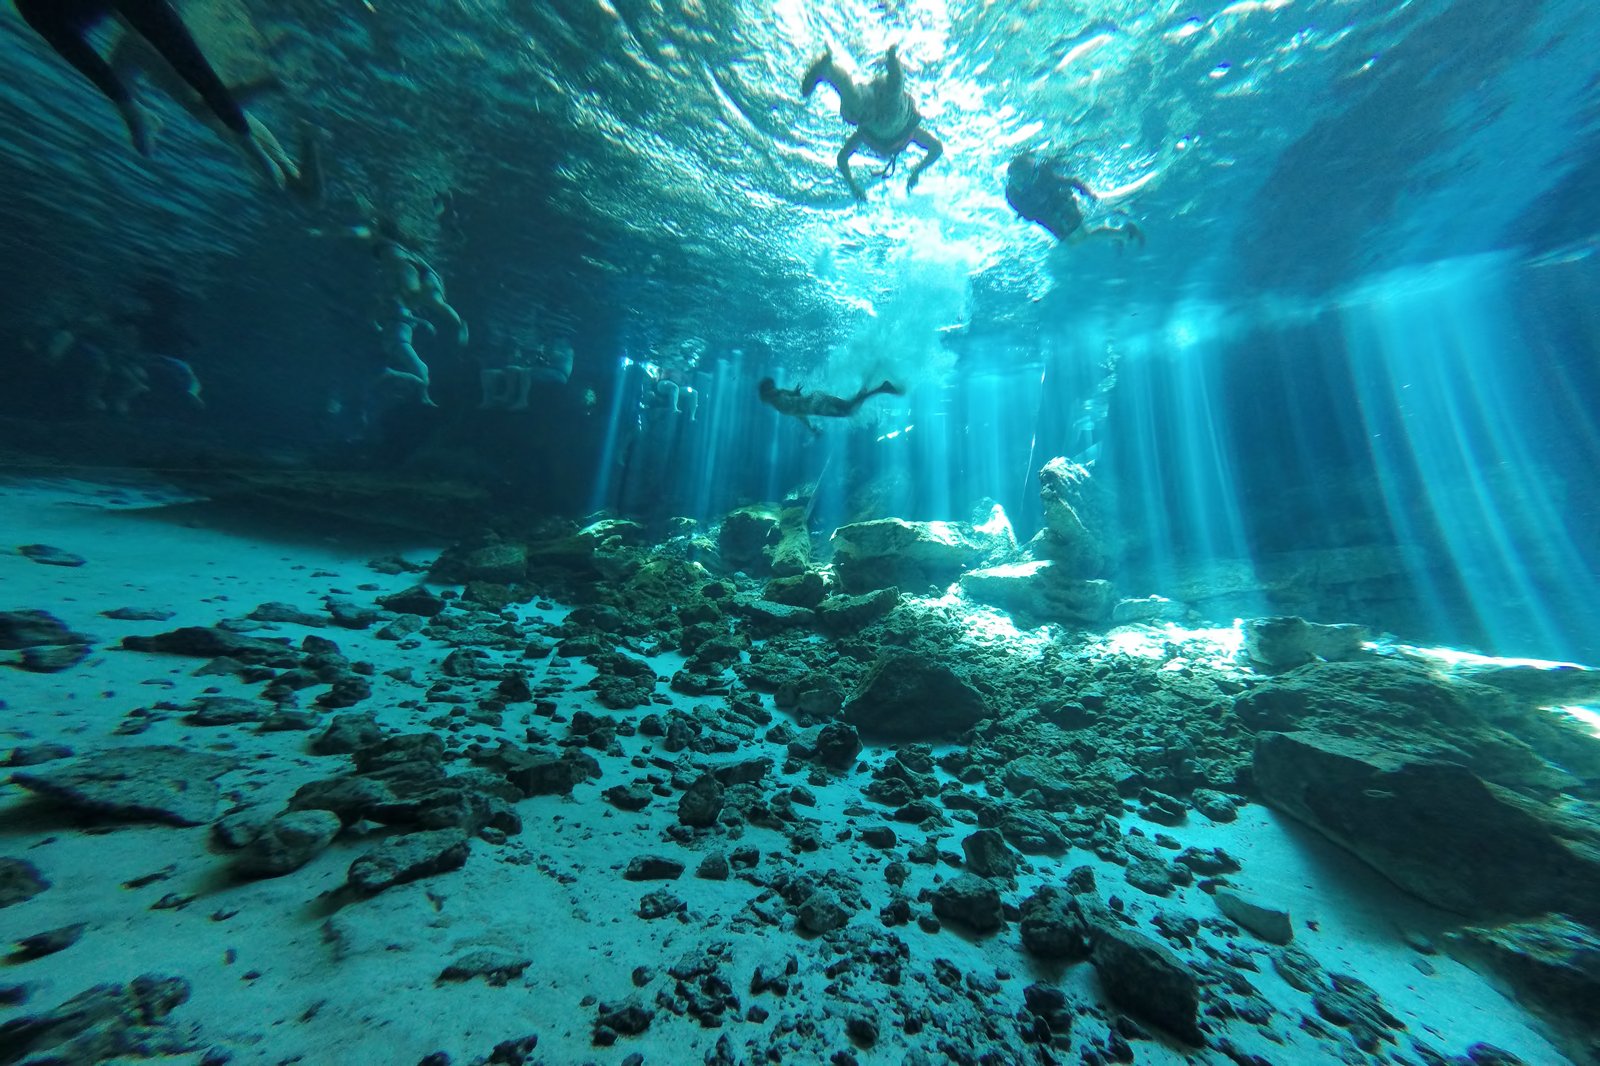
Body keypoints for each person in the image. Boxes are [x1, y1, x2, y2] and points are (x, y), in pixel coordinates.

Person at [11, 0, 284, 189]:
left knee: (193, 80)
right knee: (193, 79)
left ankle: (135, 112)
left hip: (75, 16)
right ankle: (134, 112)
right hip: (68, 15)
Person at [801, 44, 943, 199]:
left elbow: (842, 158)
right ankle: (891, 58)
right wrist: (916, 172)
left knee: (854, 102)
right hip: (894, 113)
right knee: (890, 101)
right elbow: (936, 148)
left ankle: (828, 71)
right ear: (891, 153)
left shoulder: (865, 136)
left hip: (873, 101)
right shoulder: (909, 135)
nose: (881, 152)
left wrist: (854, 187)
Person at [1005, 150, 1145, 246]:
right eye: (1017, 179)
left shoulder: (1044, 178)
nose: (1021, 182)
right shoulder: (1012, 193)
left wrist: (1089, 194)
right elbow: (1023, 211)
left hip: (1060, 203)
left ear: (1032, 173)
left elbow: (1073, 182)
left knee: (1080, 236)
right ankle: (1120, 235)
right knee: (1072, 241)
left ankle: (1126, 233)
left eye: (1024, 177)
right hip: (1044, 214)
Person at [758, 377, 902, 434]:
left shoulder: (778, 398)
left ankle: (882, 388)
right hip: (817, 399)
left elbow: (794, 406)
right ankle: (870, 388)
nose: (771, 391)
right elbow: (799, 415)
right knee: (850, 407)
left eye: (770, 390)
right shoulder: (780, 402)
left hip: (817, 405)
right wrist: (811, 428)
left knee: (850, 410)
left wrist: (793, 393)